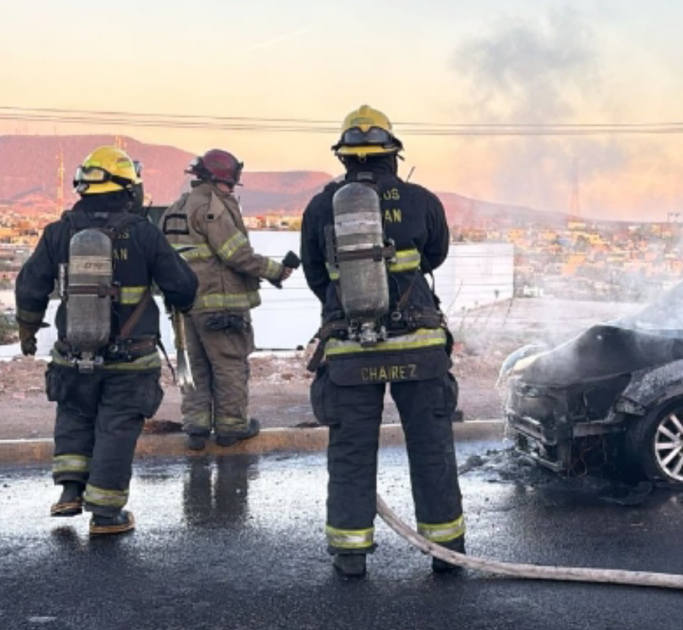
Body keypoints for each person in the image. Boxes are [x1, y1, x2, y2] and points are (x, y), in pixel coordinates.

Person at [301, 105, 462, 577]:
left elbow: (315, 276)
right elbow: (435, 256)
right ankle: (446, 551)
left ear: (345, 157)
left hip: (351, 350)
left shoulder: (319, 207)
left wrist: (348, 304)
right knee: (431, 447)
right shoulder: (422, 200)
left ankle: (350, 555)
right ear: (392, 154)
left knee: (351, 450)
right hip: (419, 348)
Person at [16, 146, 198, 535]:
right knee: (116, 427)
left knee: (75, 416)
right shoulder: (144, 233)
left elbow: (30, 286)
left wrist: (28, 331)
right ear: (128, 189)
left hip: (72, 355)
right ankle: (106, 514)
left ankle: (69, 490)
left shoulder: (59, 231)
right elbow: (183, 288)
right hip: (129, 363)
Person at [160, 150, 291, 450]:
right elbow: (236, 254)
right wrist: (274, 271)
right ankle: (231, 427)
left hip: (185, 309)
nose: (232, 190)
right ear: (220, 180)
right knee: (229, 365)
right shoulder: (212, 209)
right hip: (220, 306)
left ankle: (196, 428)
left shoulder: (175, 210)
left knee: (195, 368)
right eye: (231, 184)